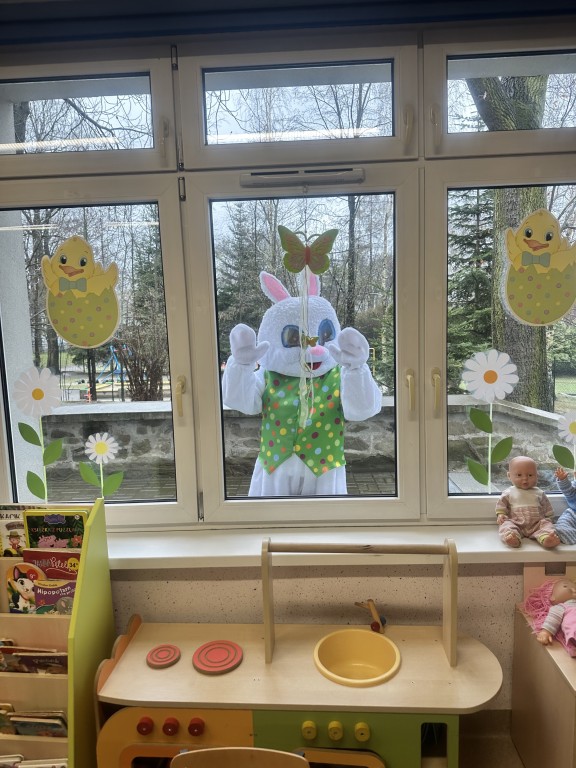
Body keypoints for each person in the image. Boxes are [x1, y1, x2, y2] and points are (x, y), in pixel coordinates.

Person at [495, 455, 560, 549]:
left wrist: (549, 518)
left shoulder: (539, 493)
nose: (525, 478)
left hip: (537, 524)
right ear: (509, 476)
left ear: (537, 476)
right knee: (506, 525)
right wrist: (501, 514)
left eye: (530, 475)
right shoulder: (508, 492)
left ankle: (547, 539)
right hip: (516, 523)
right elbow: (501, 505)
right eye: (519, 475)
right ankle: (512, 537)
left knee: (546, 525)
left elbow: (547, 507)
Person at [522, 578, 576, 656]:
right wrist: (546, 632)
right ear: (552, 597)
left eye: (574, 586)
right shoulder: (562, 607)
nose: (573, 589)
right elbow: (553, 619)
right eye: (565, 586)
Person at [554, 467, 576, 545]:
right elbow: (568, 490)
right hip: (573, 514)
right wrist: (563, 480)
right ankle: (569, 534)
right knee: (562, 525)